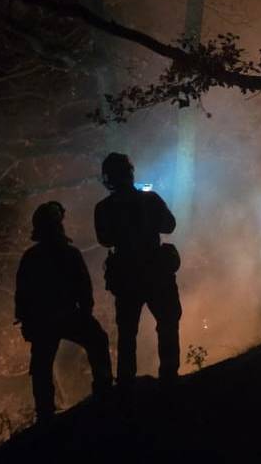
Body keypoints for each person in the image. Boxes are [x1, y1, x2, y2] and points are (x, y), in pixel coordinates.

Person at [15, 201, 112, 423]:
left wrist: (27, 322)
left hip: (44, 320)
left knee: (41, 365)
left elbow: (22, 295)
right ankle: (104, 391)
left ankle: (45, 413)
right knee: (97, 340)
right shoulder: (69, 253)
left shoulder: (31, 257)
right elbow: (84, 288)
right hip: (66, 316)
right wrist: (86, 313)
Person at [94, 152, 182, 386]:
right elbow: (170, 225)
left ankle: (126, 383)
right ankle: (169, 377)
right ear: (130, 173)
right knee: (168, 322)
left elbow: (104, 239)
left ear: (108, 178)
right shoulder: (149, 199)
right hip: (155, 271)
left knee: (127, 332)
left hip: (126, 276)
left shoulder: (103, 208)